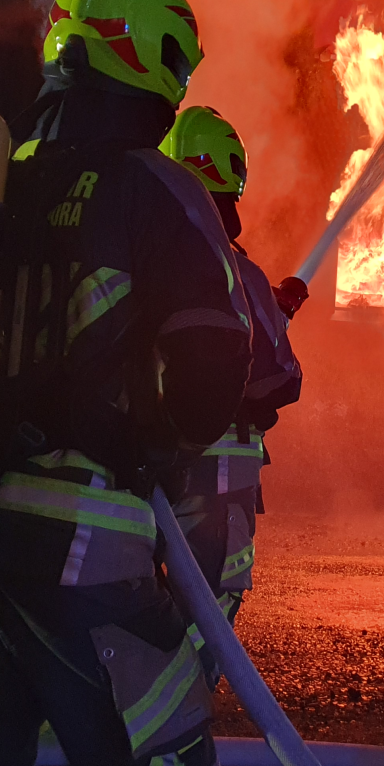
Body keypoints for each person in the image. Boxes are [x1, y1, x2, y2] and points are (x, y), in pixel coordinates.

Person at [0, 0, 252, 766]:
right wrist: (155, 443)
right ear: (150, 51)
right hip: (79, 537)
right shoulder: (158, 189)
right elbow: (216, 368)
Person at [159, 106, 305, 628]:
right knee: (205, 620)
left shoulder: (142, 252)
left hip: (145, 479)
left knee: (146, 609)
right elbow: (279, 377)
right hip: (215, 488)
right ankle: (183, 708)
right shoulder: (237, 269)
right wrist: (272, 321)